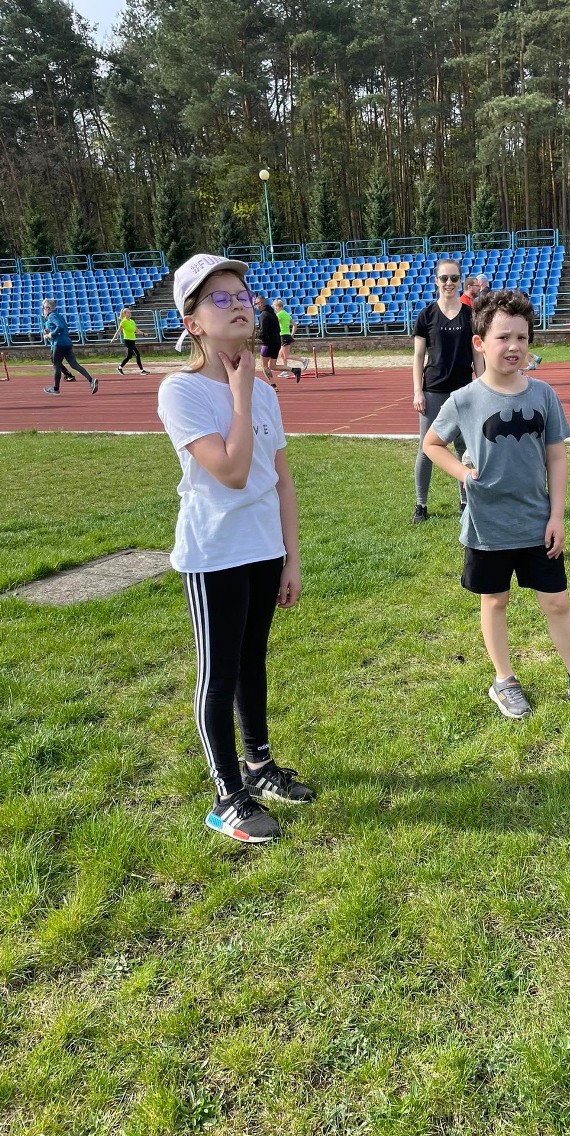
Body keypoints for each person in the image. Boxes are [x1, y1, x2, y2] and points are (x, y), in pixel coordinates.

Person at [157, 253, 314, 843]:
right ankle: (228, 797)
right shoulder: (181, 392)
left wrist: (291, 556)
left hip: (262, 547)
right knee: (218, 674)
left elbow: (280, 478)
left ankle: (260, 765)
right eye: (220, 298)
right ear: (193, 322)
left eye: (242, 292)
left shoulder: (264, 392)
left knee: (253, 661)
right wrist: (243, 393)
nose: (240, 302)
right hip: (214, 552)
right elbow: (230, 469)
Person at [422, 289, 570, 720]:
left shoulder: (543, 395)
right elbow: (432, 443)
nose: (513, 346)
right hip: (487, 525)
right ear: (480, 343)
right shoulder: (465, 400)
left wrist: (557, 516)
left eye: (522, 337)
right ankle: (504, 680)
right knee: (494, 601)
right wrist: (462, 473)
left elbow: (556, 455)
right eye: (503, 337)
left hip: (536, 521)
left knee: (557, 602)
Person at [411, 258, 483, 523]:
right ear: (436, 281)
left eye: (454, 278)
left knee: (464, 449)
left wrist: (482, 387)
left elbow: (478, 354)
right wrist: (418, 391)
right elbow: (419, 357)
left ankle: (465, 501)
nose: (449, 283)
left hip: (464, 392)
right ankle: (421, 504)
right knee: (426, 449)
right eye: (444, 278)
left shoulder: (470, 315)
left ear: (460, 281)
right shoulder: (426, 316)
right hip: (433, 391)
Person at [41, 298, 98, 396]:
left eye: (43, 308)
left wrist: (51, 335)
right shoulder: (59, 316)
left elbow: (60, 327)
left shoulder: (52, 316)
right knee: (74, 364)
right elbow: (64, 328)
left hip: (59, 344)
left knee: (56, 366)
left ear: (47, 308)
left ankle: (56, 388)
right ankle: (91, 380)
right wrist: (50, 334)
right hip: (67, 343)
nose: (43, 310)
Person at [253, 293, 285, 389]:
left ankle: (272, 385)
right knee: (272, 365)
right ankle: (293, 369)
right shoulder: (273, 313)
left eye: (257, 304)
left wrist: (256, 334)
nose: (256, 306)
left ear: (261, 303)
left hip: (267, 344)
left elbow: (263, 332)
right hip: (277, 342)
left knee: (264, 365)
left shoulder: (263, 315)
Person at [273, 298, 309, 381]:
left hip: (283, 335)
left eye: (275, 307)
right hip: (286, 335)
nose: (274, 309)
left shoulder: (279, 314)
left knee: (286, 355)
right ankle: (285, 370)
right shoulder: (286, 314)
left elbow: (274, 324)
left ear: (277, 306)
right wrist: (291, 335)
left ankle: (303, 360)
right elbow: (294, 325)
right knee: (281, 354)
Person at [112, 307, 151, 375]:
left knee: (129, 356)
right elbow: (118, 331)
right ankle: (141, 370)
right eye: (128, 312)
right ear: (125, 314)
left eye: (130, 312)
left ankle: (120, 368)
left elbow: (137, 330)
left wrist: (144, 334)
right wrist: (113, 338)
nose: (130, 313)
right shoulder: (123, 322)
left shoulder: (132, 321)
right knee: (137, 354)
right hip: (128, 341)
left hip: (133, 340)